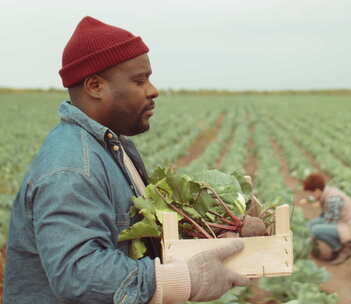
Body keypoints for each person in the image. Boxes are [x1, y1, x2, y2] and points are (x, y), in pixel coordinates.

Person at [3, 16, 249, 304]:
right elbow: (78, 272)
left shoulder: (111, 147)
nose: (153, 89)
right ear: (95, 86)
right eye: (139, 80)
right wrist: (183, 279)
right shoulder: (72, 167)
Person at [303, 173, 351, 265]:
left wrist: (311, 237)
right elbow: (325, 216)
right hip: (344, 222)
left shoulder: (332, 199)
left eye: (311, 193)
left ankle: (341, 249)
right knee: (310, 225)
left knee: (315, 230)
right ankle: (338, 247)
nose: (310, 196)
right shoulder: (327, 192)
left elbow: (330, 221)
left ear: (317, 191)